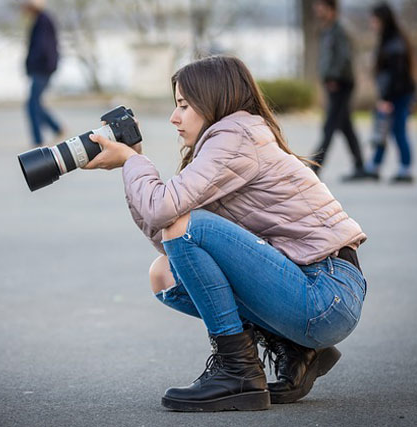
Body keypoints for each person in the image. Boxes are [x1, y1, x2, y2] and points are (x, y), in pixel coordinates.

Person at [83, 56, 368, 411]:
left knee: (183, 227)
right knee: (164, 274)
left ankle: (237, 373)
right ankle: (296, 348)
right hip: (314, 289)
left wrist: (132, 163)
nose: (174, 118)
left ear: (213, 100)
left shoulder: (235, 136)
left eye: (184, 106)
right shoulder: (227, 142)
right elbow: (172, 239)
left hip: (326, 292)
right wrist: (134, 160)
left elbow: (170, 218)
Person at [311, 0, 367, 181]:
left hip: (340, 84)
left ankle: (314, 167)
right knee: (345, 126)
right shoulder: (328, 29)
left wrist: (334, 77)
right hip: (334, 83)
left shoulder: (340, 29)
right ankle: (360, 166)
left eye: (320, 7)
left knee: (330, 126)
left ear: (330, 8)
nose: (316, 10)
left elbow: (344, 57)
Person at [363, 2, 416, 183]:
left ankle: (405, 169)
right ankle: (375, 165)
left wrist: (386, 99)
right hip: (393, 94)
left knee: (397, 130)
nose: (372, 24)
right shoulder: (390, 39)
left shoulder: (395, 43)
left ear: (383, 20)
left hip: (397, 95)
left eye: (374, 20)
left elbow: (396, 76)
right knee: (383, 129)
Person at [21, 0, 63, 146]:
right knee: (35, 103)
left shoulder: (43, 21)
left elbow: (43, 47)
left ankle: (38, 140)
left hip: (42, 68)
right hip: (42, 67)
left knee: (32, 104)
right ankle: (57, 128)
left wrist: (33, 63)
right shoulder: (40, 20)